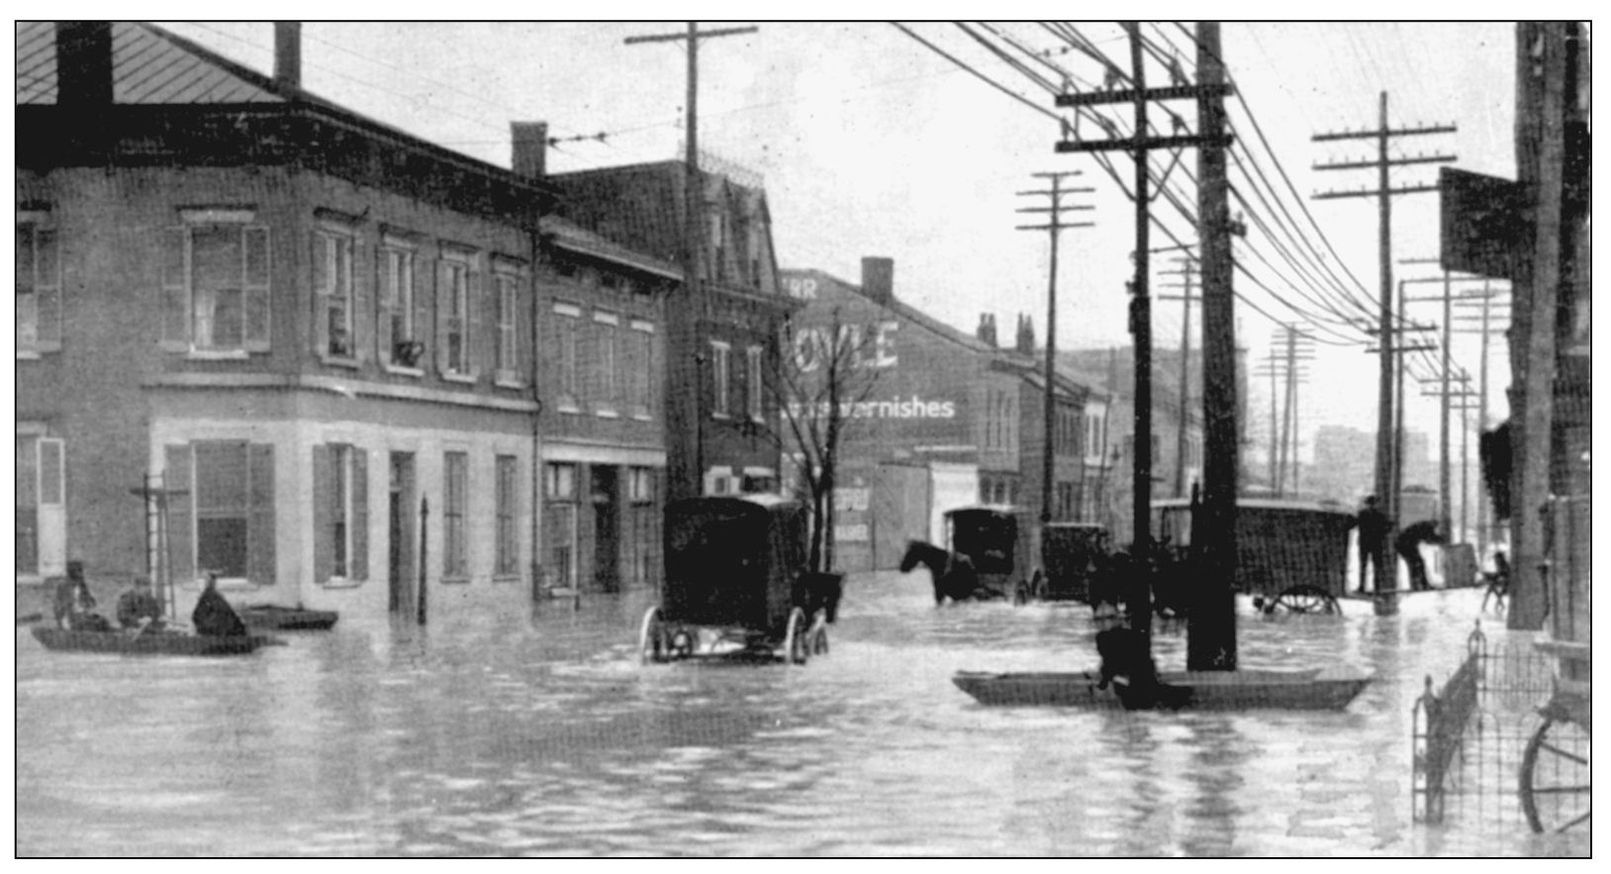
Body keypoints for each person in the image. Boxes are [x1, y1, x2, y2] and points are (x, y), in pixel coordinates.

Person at [52, 560, 111, 631]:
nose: (81, 573)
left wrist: (88, 600)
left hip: (82, 617)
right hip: (70, 620)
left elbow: (91, 604)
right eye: (79, 570)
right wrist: (61, 624)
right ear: (72, 572)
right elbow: (64, 608)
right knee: (93, 625)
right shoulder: (64, 585)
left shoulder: (81, 585)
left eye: (81, 570)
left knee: (103, 622)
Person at [1352, 495, 1391, 594]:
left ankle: (1362, 587)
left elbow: (1354, 524)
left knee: (1364, 566)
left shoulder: (1362, 514)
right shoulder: (1380, 516)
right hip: (1375, 543)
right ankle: (1376, 588)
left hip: (1365, 543)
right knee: (1376, 566)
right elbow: (1387, 528)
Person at [1395, 519, 1445, 592]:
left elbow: (1429, 538)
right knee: (1417, 564)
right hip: (1405, 545)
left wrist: (1439, 540)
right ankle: (1421, 585)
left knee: (1416, 564)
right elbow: (1429, 539)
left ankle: (1418, 585)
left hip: (1405, 544)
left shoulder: (1423, 525)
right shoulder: (1426, 527)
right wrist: (1441, 540)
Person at [192, 572, 247, 637]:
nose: (209, 583)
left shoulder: (214, 595)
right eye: (207, 581)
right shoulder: (209, 595)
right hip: (213, 627)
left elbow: (225, 610)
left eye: (210, 581)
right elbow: (197, 615)